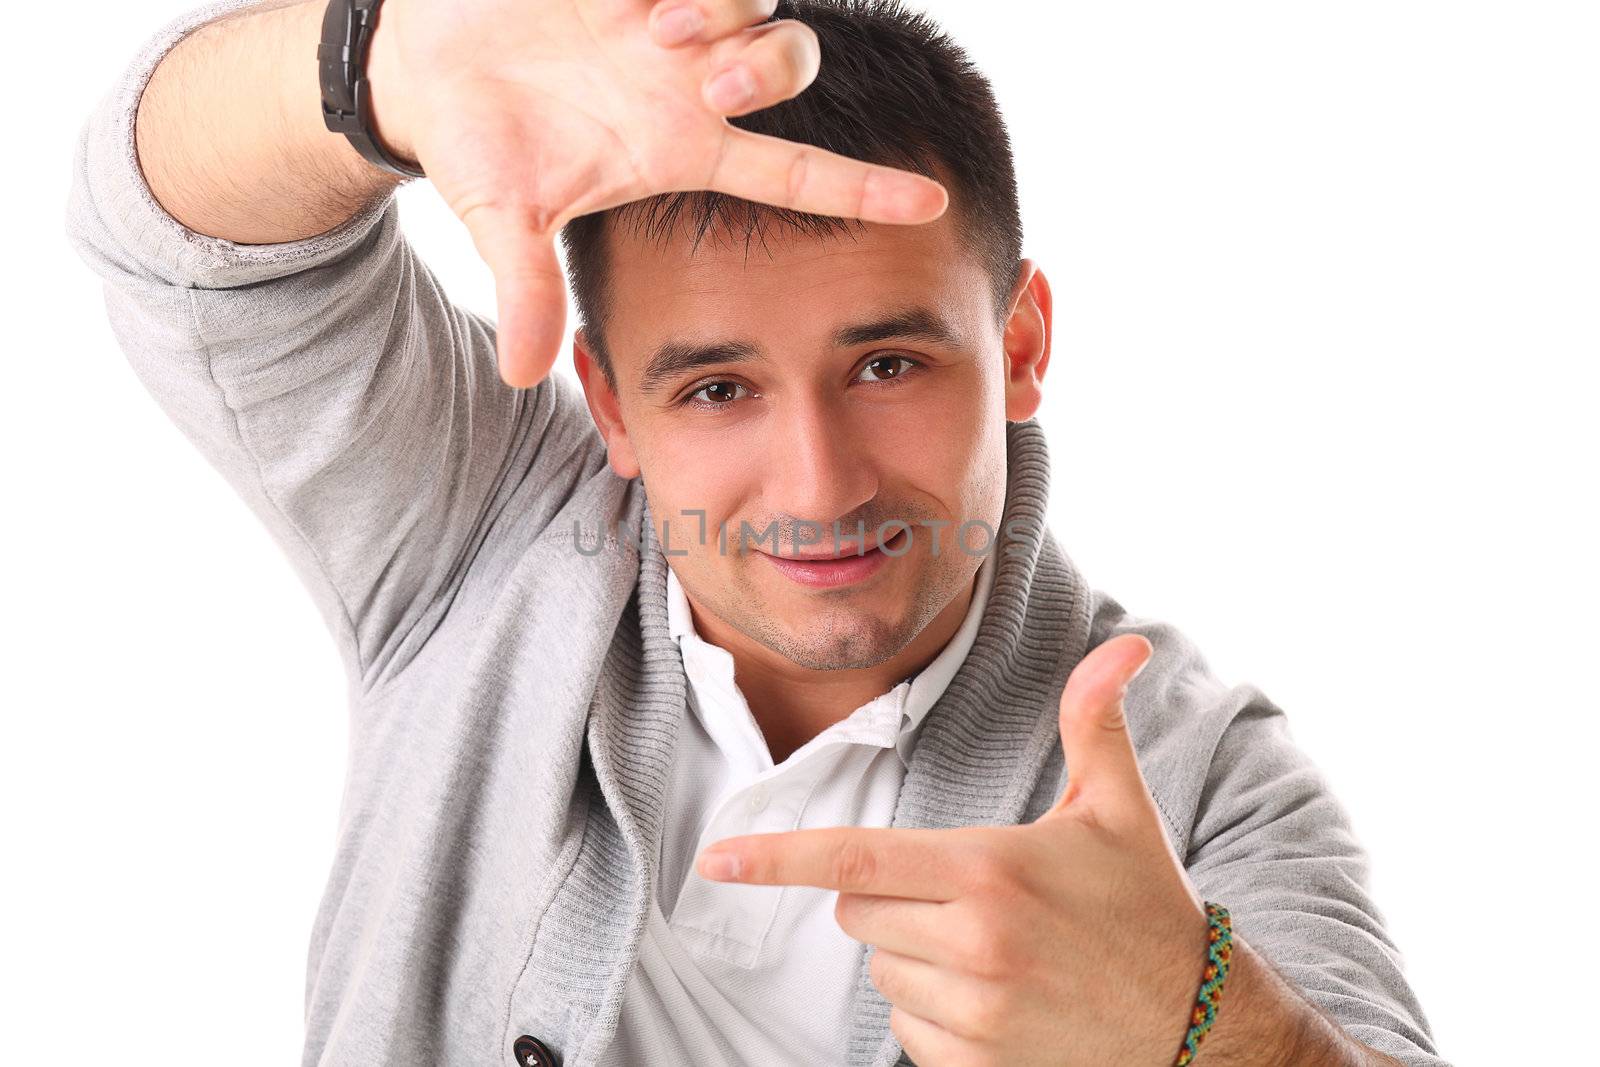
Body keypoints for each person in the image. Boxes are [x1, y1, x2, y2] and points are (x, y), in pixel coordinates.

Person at [65, 0, 1450, 1064]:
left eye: (890, 365)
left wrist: (1199, 1025)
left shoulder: (1188, 776)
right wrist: (372, 66)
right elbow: (169, 234)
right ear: (606, 399)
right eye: (717, 387)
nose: (821, 481)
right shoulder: (477, 529)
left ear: (1021, 345)